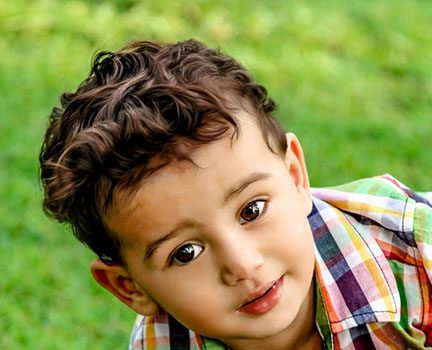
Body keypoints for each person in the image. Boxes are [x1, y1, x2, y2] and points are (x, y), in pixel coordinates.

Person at [39, 39, 432, 349]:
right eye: (185, 253)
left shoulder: (417, 256)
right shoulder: (161, 343)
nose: (242, 265)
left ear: (295, 175)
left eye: (252, 210)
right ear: (130, 287)